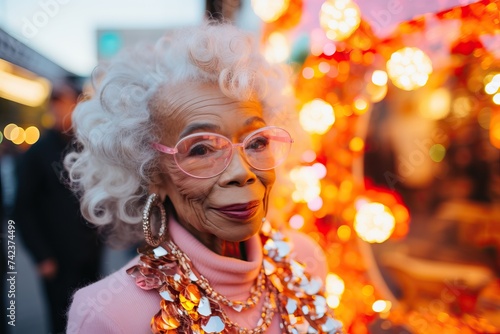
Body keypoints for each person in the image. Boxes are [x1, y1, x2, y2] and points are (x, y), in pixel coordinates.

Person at [66, 21, 343, 334]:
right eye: (201, 150)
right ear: (153, 172)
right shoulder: (108, 315)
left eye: (257, 142)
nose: (242, 172)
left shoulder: (305, 259)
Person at [13, 84, 103, 334]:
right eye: (57, 103)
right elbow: (23, 209)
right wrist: (41, 256)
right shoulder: (37, 153)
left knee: (92, 317)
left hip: (90, 253)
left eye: (67, 102)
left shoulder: (86, 146)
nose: (62, 109)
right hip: (56, 258)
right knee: (62, 321)